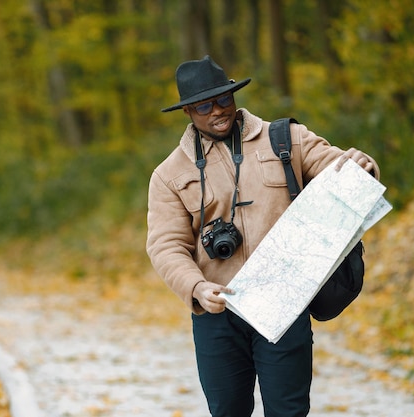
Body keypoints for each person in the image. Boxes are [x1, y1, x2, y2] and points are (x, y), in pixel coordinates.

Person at [146, 55, 380, 417]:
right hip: (217, 311)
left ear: (234, 96)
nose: (217, 110)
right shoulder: (168, 174)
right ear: (188, 111)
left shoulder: (285, 138)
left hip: (283, 305)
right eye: (204, 105)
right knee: (227, 411)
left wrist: (360, 167)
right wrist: (195, 287)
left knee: (288, 411)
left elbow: (335, 166)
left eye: (223, 98)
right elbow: (166, 245)